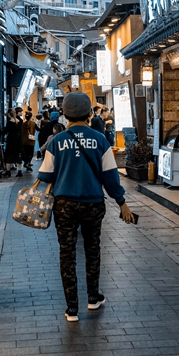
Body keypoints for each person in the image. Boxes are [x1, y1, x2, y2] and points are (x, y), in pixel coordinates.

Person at [38, 92, 135, 322]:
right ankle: (93, 298)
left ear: (64, 114)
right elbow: (111, 177)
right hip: (92, 204)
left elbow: (45, 174)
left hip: (64, 205)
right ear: (90, 114)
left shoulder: (57, 141)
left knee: (67, 253)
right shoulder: (100, 140)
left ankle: (72, 308)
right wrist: (121, 202)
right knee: (92, 250)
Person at [3, 108, 23, 177]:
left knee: (9, 155)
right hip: (18, 139)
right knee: (18, 156)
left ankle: (8, 171)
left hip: (11, 140)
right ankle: (20, 171)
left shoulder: (9, 122)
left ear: (9, 114)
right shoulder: (19, 121)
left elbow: (6, 131)